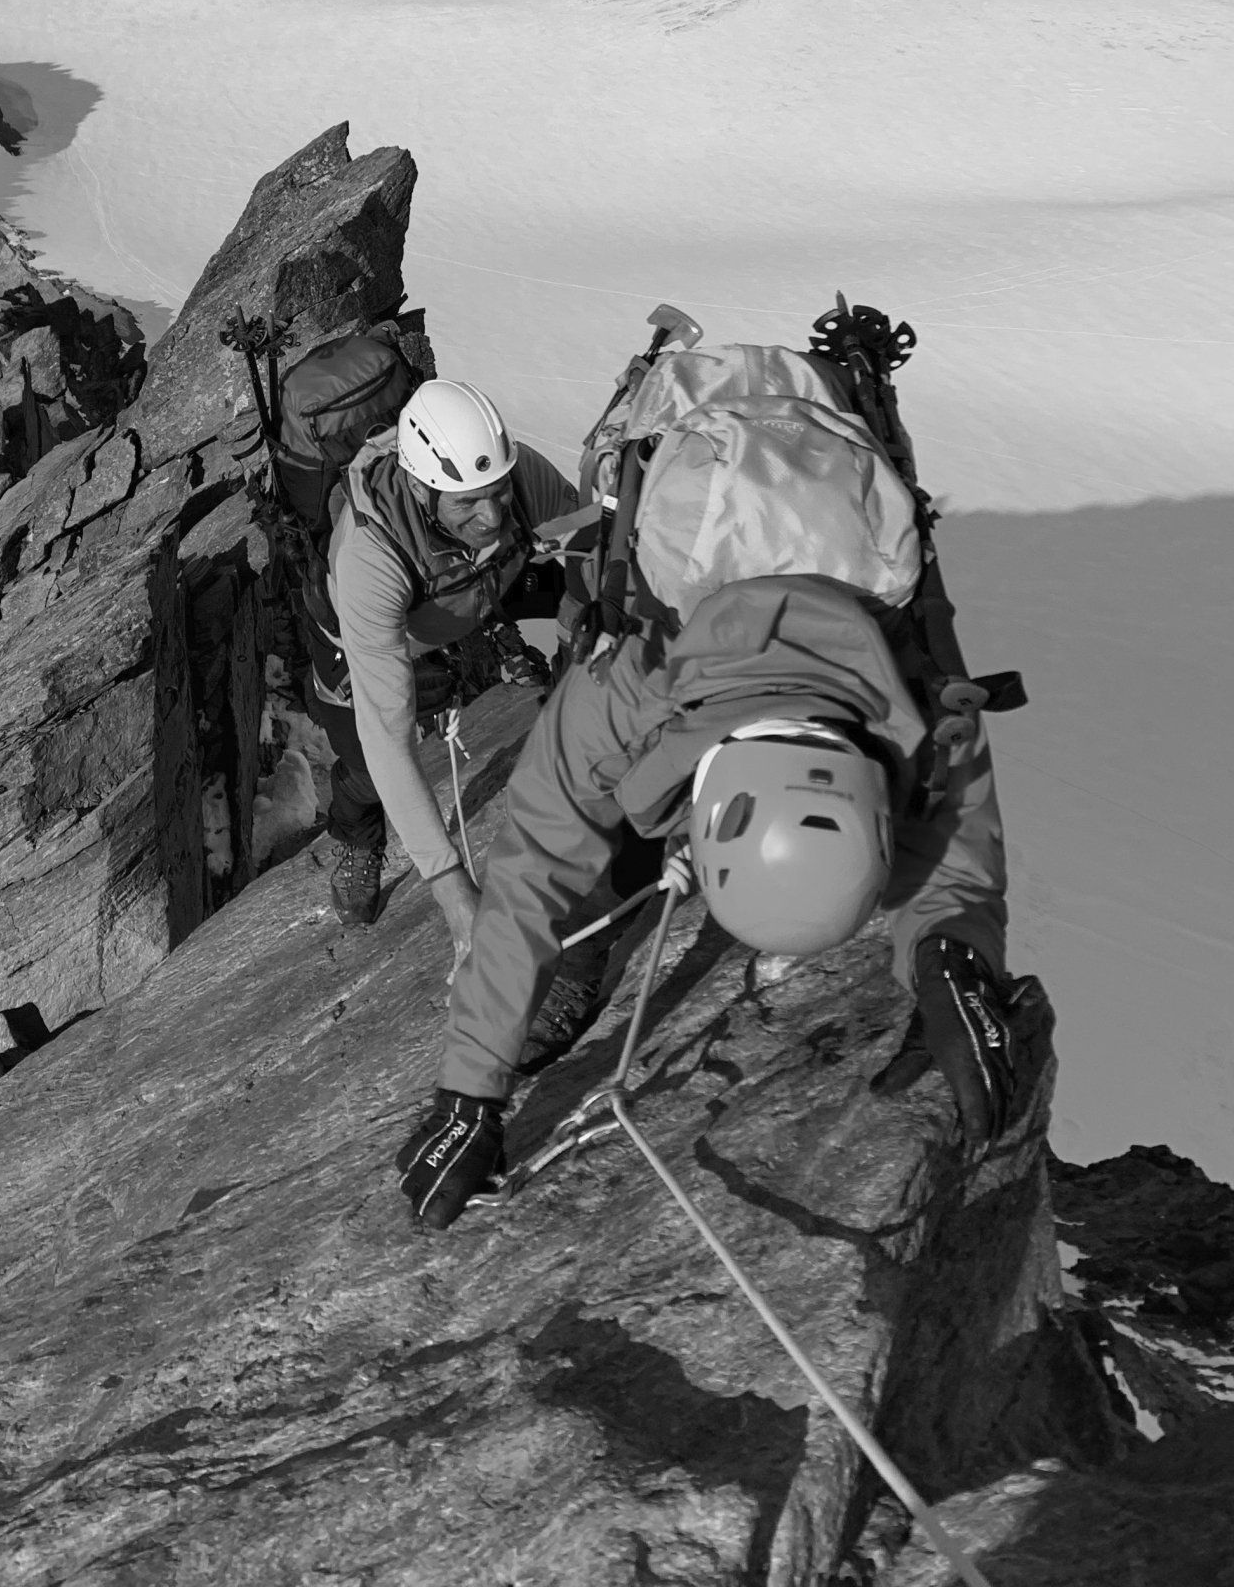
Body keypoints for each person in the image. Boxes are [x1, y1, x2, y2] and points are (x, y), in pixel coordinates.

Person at [396, 568, 1020, 1228]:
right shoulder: (617, 694)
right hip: (679, 627)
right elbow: (533, 877)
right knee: (607, 848)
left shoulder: (922, 698)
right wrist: (470, 1088)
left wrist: (952, 957)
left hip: (826, 598)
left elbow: (952, 822)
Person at [309, 377, 578, 955]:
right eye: (468, 502)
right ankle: (357, 837)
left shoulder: (514, 476)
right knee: (363, 761)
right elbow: (388, 735)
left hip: (472, 592)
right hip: (384, 630)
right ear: (419, 484)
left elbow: (589, 547)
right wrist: (455, 894)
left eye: (500, 493)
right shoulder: (370, 557)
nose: (491, 516)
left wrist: (578, 647)